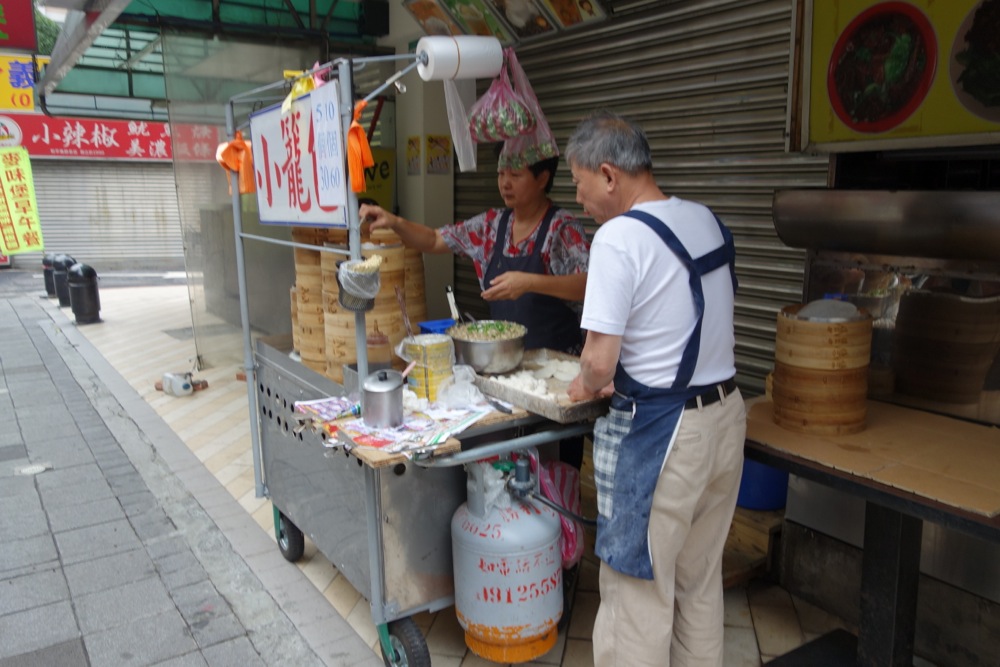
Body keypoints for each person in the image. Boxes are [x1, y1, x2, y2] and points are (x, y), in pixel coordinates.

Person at [565, 111, 747, 667]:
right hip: (726, 420)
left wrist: (582, 385)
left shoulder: (619, 237)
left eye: (579, 184)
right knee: (698, 584)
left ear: (608, 174)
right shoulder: (705, 219)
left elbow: (598, 362)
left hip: (666, 438)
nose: (579, 200)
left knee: (636, 599)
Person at [361, 151, 590, 468]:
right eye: (501, 174)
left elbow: (589, 284)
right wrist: (395, 222)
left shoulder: (562, 228)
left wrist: (530, 282)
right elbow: (434, 240)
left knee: (556, 465)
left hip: (557, 376)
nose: (505, 183)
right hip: (507, 372)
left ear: (542, 178)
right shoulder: (492, 225)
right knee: (509, 461)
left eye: (515, 175)